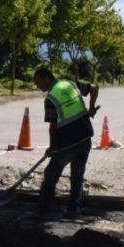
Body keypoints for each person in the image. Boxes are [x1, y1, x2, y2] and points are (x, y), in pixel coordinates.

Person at [33, 67, 99, 219]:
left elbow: (53, 126)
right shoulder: (71, 84)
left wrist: (51, 147)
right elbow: (94, 87)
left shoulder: (50, 98)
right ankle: (74, 209)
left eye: (38, 82)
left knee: (50, 174)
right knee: (77, 175)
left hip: (67, 143)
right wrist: (91, 107)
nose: (37, 86)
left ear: (47, 79)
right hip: (85, 137)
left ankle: (43, 209)